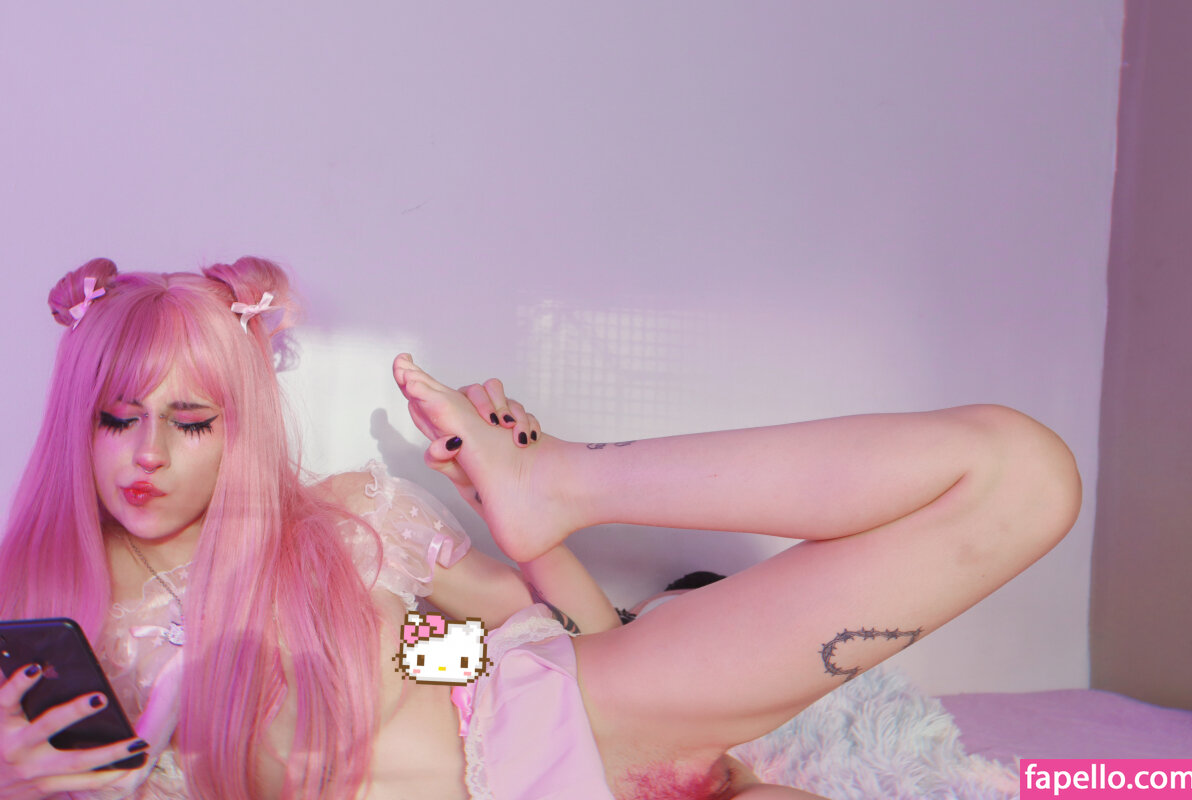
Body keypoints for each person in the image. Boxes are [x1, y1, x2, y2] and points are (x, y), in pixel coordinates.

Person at [0, 257, 1082, 800]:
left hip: (565, 715)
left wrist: (445, 614)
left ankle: (566, 480)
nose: (147, 453)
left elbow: (562, 632)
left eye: (190, 420)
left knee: (1017, 475)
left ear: (236, 426)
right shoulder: (44, 621)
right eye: (115, 418)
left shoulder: (347, 519)